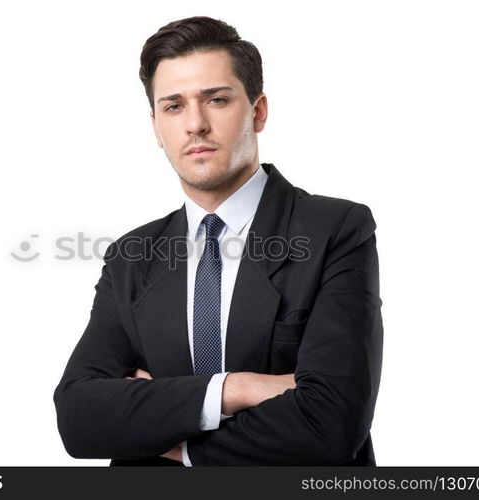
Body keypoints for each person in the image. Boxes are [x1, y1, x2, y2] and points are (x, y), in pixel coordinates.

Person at [53, 15, 383, 466]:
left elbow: (331, 424)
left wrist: (171, 440)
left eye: (216, 100)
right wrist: (237, 388)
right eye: (173, 106)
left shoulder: (336, 229)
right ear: (156, 126)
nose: (195, 124)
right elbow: (79, 419)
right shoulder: (132, 256)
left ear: (258, 111)